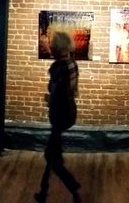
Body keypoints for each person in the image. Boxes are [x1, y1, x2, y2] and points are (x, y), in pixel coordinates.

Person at [36, 34, 82, 203]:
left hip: (59, 114)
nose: (50, 48)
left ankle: (73, 188)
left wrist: (49, 99)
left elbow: (55, 92)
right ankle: (43, 191)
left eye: (52, 46)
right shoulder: (73, 63)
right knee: (52, 155)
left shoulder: (57, 67)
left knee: (51, 157)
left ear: (57, 48)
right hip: (70, 111)